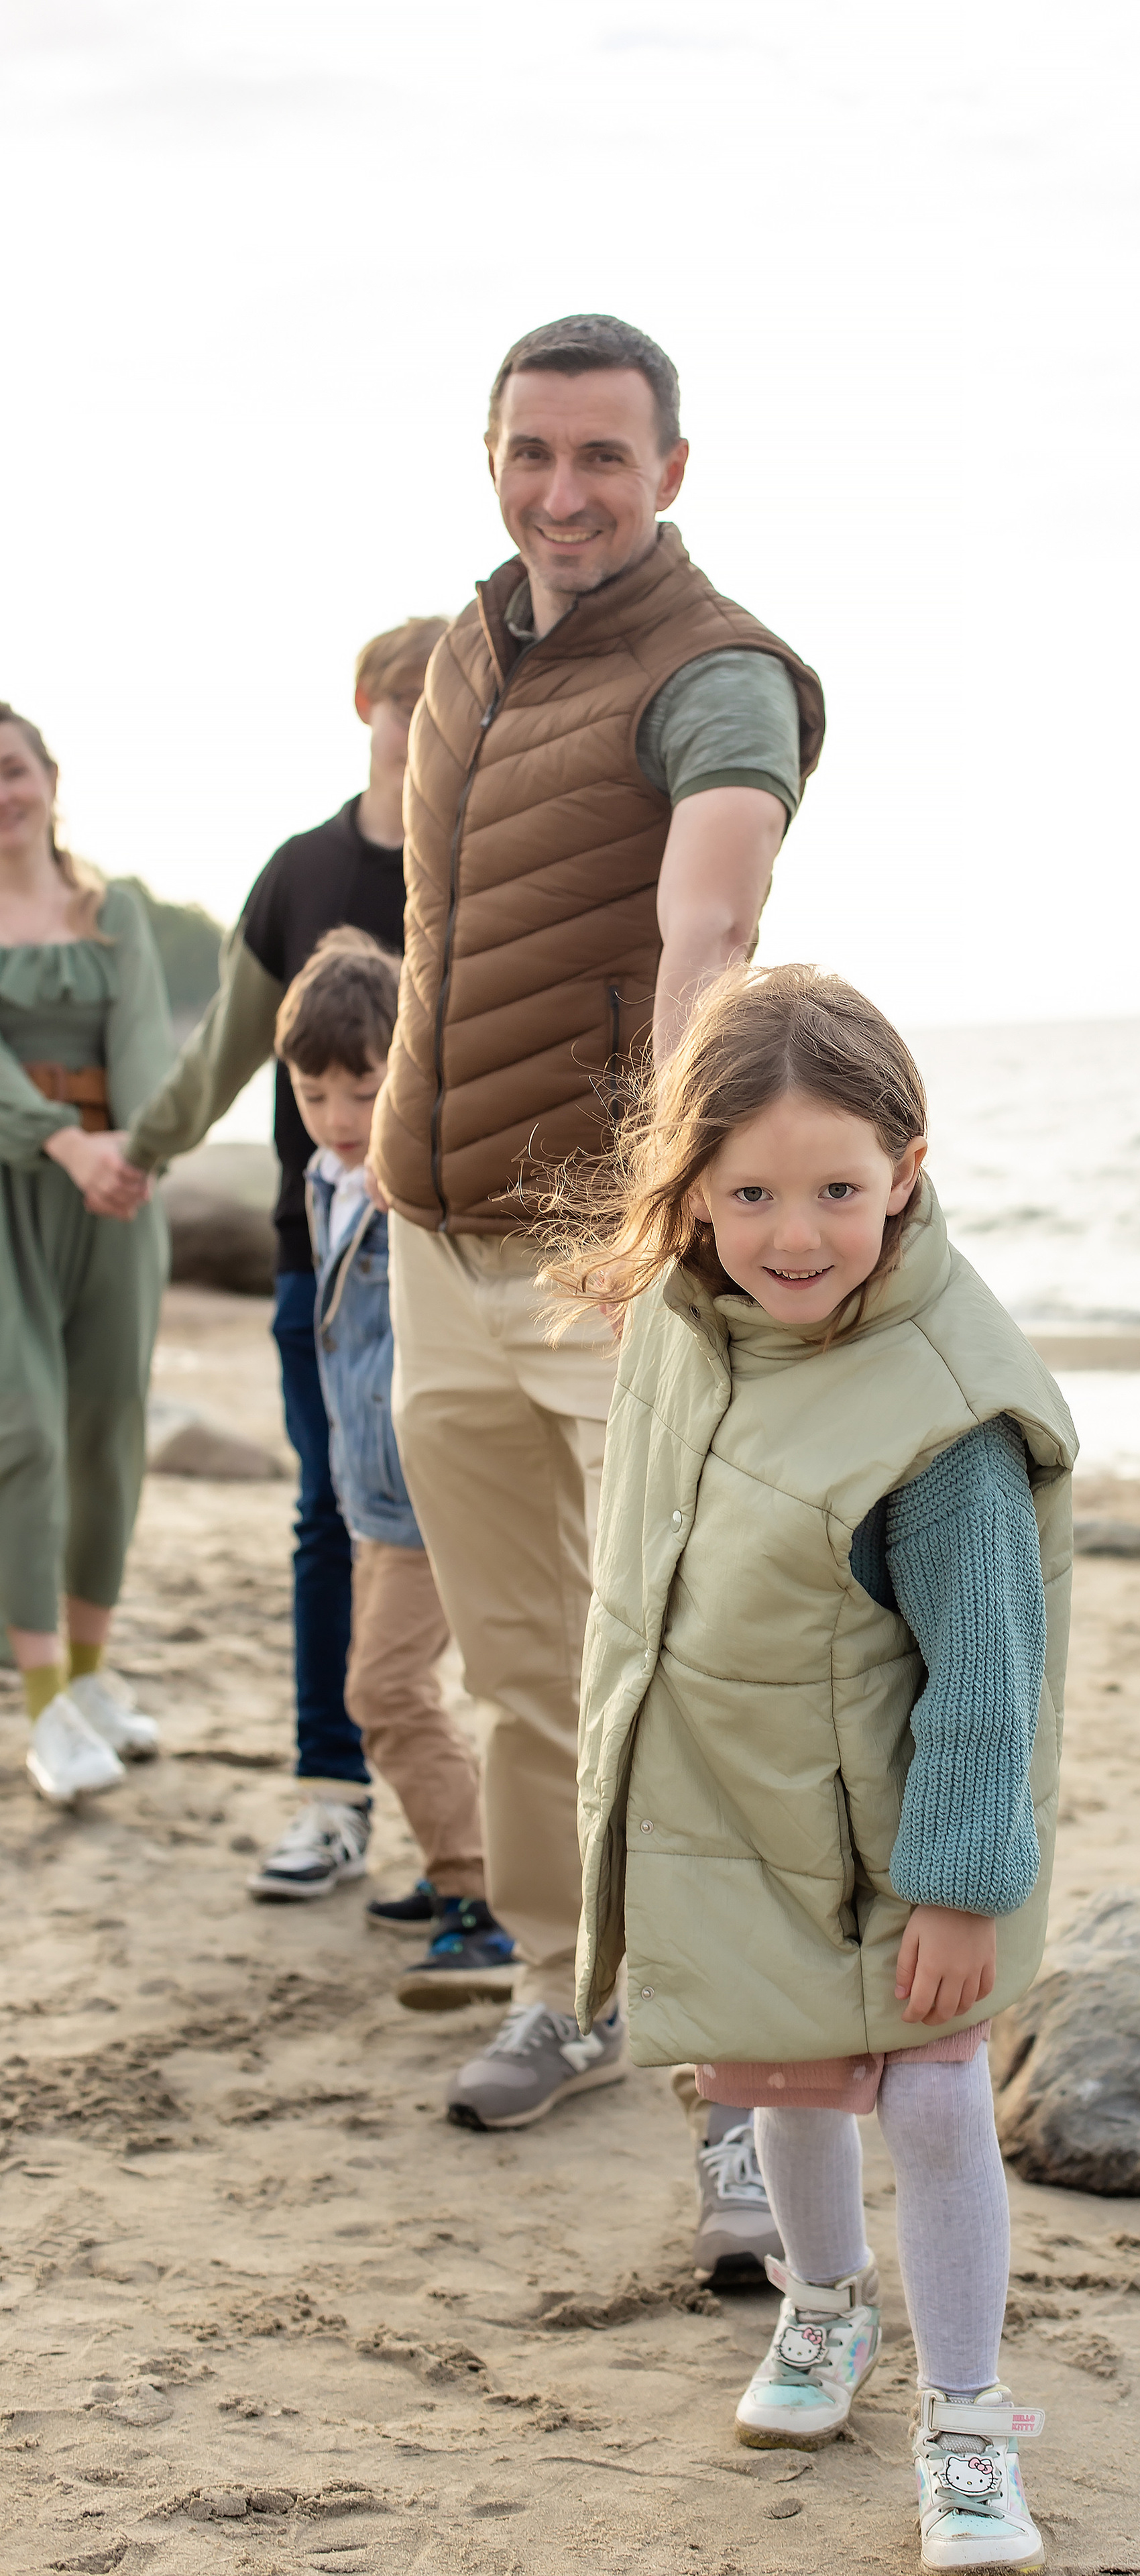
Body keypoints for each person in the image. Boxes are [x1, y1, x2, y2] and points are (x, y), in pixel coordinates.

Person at [366, 309, 825, 2228]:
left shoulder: (719, 676)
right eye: (532, 453)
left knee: (680, 1670)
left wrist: (661, 1203)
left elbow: (706, 923)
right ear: (491, 454)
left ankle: (742, 2095)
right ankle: (566, 1986)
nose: (565, 493)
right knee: (528, 1662)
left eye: (604, 460)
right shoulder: (468, 646)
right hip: (432, 1235)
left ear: (672, 474)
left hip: (604, 1258)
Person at [546, 963, 1076, 2573]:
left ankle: (969, 2419)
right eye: (753, 1191)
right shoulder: (688, 1331)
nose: (796, 1234)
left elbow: (991, 1674)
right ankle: (822, 2309)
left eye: (838, 1190)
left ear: (904, 1175)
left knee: (928, 2103)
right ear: (692, 1189)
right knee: (769, 2072)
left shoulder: (937, 1415)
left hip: (900, 1839)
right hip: (733, 1808)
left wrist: (963, 1888)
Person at [99, 619, 449, 1901]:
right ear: (368, 702)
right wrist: (142, 1151)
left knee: (488, 1535)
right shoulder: (301, 872)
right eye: (413, 702)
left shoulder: (492, 855)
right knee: (327, 1521)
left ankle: (488, 1843)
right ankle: (332, 1797)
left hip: (468, 1271)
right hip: (324, 1265)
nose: (430, 726)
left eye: (457, 700)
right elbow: (232, 1047)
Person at [275, 928, 514, 2006]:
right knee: (399, 1689)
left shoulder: (409, 1186)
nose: (338, 1118)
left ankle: (481, 1901)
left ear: (405, 1076)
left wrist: (406, 1174)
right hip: (366, 1493)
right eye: (314, 1093)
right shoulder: (327, 1178)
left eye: (363, 1091)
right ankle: (456, 1863)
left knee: (381, 1689)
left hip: (422, 1487)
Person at [0, 704, 172, 1805]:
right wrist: (63, 1142)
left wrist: (134, 1149)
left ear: (51, 778)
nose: (3, 792)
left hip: (117, 1197)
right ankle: (43, 1705)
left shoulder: (118, 918)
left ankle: (97, 1673)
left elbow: (148, 1042)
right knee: (24, 1435)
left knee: (108, 1435)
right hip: (14, 1192)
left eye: (12, 769)